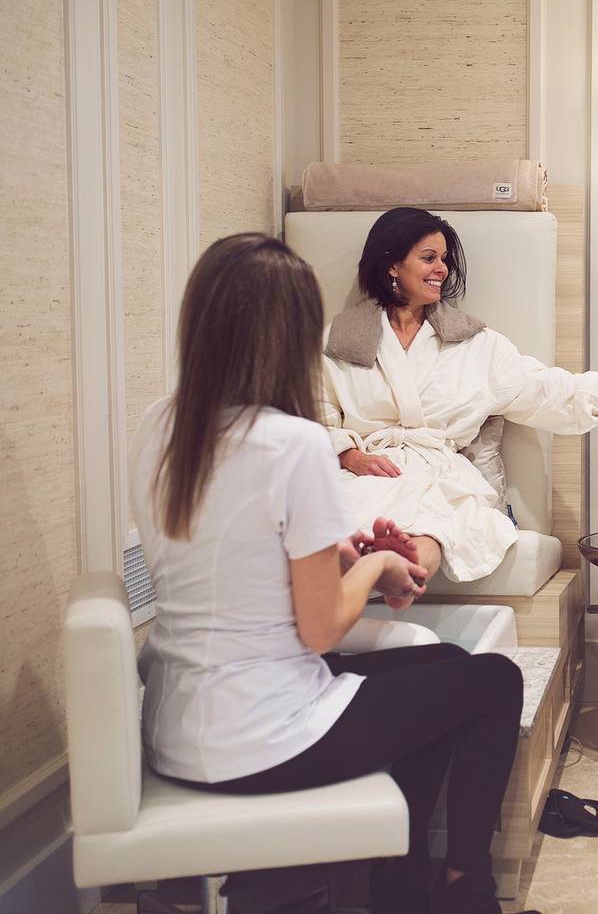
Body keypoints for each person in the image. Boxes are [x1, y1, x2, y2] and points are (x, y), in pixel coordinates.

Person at [129, 233, 540, 914]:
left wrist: (338, 555)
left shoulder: (159, 426)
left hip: (175, 729)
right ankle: (463, 887)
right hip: (265, 740)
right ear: (290, 335)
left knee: (439, 663)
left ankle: (401, 885)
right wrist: (380, 560)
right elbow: (320, 629)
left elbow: (227, 557)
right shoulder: (291, 443)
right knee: (494, 680)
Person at [321, 207, 598, 581]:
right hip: (368, 470)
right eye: (429, 258)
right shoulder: (339, 339)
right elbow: (314, 410)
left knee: (437, 516)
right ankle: (374, 566)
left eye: (444, 259)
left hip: (438, 469)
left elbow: (538, 388)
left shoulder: (474, 343)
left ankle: (401, 571)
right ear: (391, 265)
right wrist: (347, 454)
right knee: (343, 509)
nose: (441, 269)